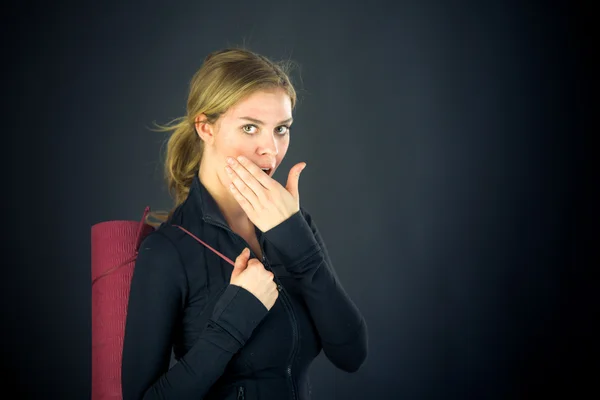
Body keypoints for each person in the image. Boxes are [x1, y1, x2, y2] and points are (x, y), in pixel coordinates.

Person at [121, 47, 368, 400]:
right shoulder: (168, 251)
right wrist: (235, 317)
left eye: (281, 129)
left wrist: (300, 246)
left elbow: (351, 354)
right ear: (205, 127)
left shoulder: (292, 225)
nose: (271, 150)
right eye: (250, 127)